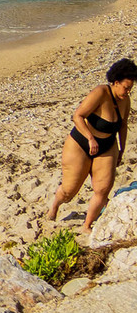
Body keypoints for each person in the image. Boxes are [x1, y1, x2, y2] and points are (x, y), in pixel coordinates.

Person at [44, 58, 137, 237]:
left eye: (130, 89)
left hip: (107, 145)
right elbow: (77, 116)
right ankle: (55, 205)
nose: (128, 92)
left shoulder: (125, 100)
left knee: (102, 189)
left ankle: (87, 225)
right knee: (69, 191)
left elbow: (123, 125)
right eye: (126, 88)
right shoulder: (100, 93)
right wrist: (90, 138)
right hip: (81, 144)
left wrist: (121, 149)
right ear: (115, 82)